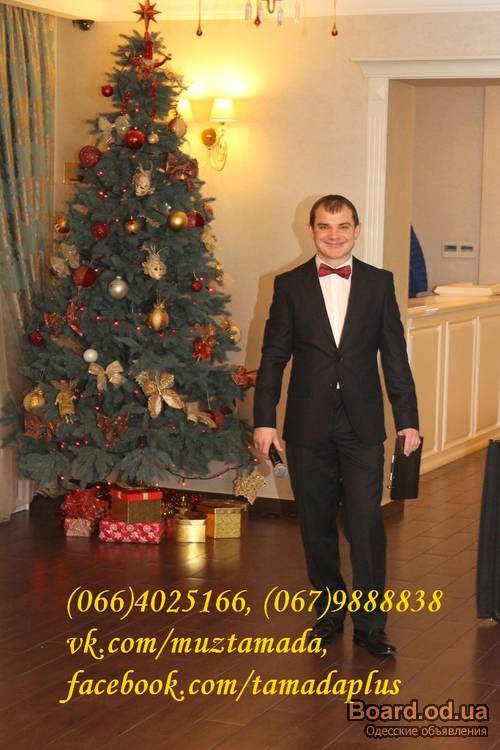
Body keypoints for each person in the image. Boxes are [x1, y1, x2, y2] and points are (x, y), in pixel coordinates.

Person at [253, 194, 420, 657]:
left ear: (356, 230)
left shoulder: (379, 283)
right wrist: (264, 420)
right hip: (306, 425)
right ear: (311, 231)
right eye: (325, 226)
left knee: (366, 524)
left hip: (363, 424)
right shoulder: (289, 285)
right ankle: (329, 610)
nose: (334, 235)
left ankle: (371, 626)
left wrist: (408, 420)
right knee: (316, 524)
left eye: (343, 226)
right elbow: (273, 358)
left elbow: (395, 357)